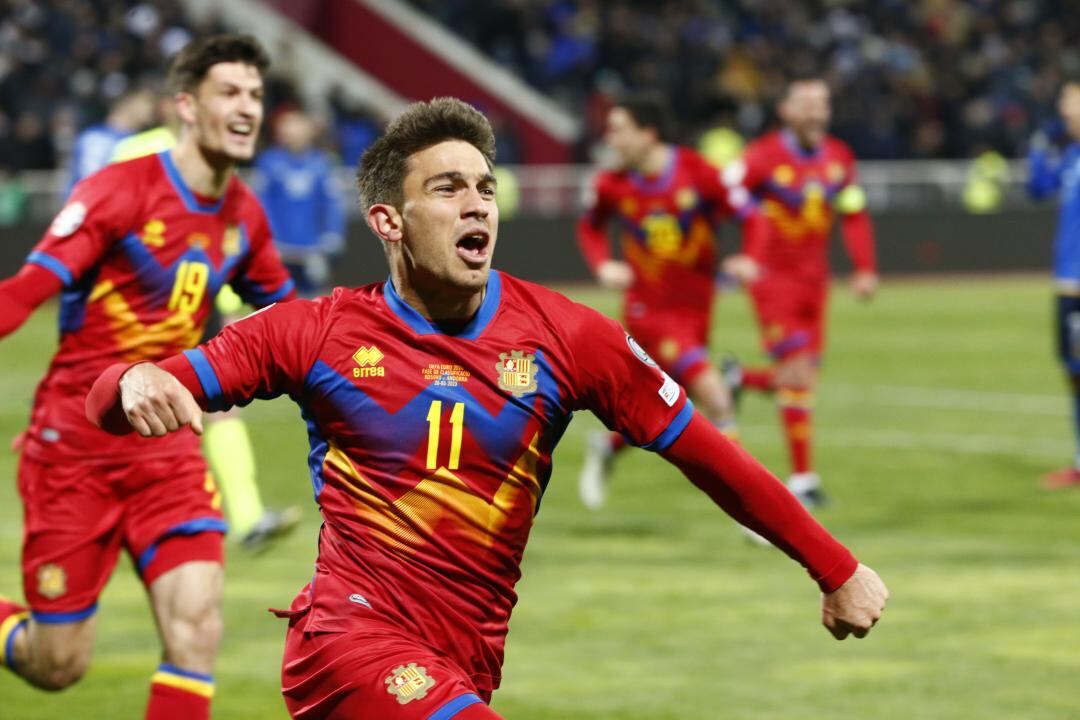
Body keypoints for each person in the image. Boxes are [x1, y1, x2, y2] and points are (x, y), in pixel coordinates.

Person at [85, 97, 888, 720]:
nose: (477, 205)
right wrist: (131, 385)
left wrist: (835, 566)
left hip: (463, 659)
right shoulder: (317, 331)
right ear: (388, 222)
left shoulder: (569, 336)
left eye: (484, 188)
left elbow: (707, 452)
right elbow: (135, 392)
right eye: (447, 189)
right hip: (348, 641)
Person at [0, 34, 295, 720]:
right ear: (187, 107)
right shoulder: (119, 191)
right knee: (57, 665)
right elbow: (24, 292)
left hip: (166, 449)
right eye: (230, 93)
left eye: (255, 93)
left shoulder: (243, 215)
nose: (248, 107)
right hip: (75, 448)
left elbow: (288, 318)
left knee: (198, 630)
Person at [112, 85, 304, 550]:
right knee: (154, 405)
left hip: (185, 300)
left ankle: (246, 515)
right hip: (156, 301)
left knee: (209, 406)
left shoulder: (201, 157)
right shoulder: (150, 152)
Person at [575, 93, 764, 510]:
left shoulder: (697, 173)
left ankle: (607, 448)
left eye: (619, 129)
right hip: (648, 310)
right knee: (715, 396)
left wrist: (749, 256)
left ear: (648, 134)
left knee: (663, 403)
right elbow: (589, 228)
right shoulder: (612, 183)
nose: (611, 137)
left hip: (696, 309)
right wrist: (603, 265)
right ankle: (752, 509)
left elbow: (751, 214)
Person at [724, 75, 878, 508]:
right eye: (805, 103)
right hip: (772, 281)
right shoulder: (762, 156)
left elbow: (854, 214)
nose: (815, 111)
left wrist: (864, 268)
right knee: (798, 375)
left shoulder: (839, 158)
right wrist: (749, 251)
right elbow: (725, 192)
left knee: (802, 378)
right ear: (785, 111)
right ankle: (804, 480)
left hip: (816, 282)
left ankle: (736, 378)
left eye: (821, 104)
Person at [1028, 78, 1080, 489]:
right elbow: (1036, 189)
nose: (1064, 110)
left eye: (1070, 101)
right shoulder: (1069, 156)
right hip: (1067, 283)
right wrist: (1037, 147)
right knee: (1074, 373)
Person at [252, 107, 346, 297]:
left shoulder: (322, 163)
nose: (290, 131)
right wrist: (267, 239)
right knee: (276, 300)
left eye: (296, 125)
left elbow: (332, 204)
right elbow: (262, 204)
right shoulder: (269, 162)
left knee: (315, 300)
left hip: (312, 248)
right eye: (285, 126)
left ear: (308, 129)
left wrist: (332, 234)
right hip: (280, 248)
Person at [67, 87, 157, 191]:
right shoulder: (97, 138)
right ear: (128, 102)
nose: (151, 108)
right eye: (147, 102)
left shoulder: (89, 134)